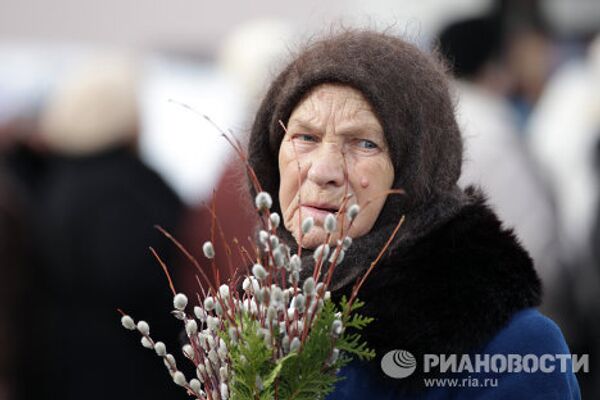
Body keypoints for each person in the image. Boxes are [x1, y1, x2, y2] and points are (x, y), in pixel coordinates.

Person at [246, 30, 581, 398]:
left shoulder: (512, 348)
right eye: (305, 137)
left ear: (416, 173)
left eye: (365, 143)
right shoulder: (255, 325)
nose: (323, 170)